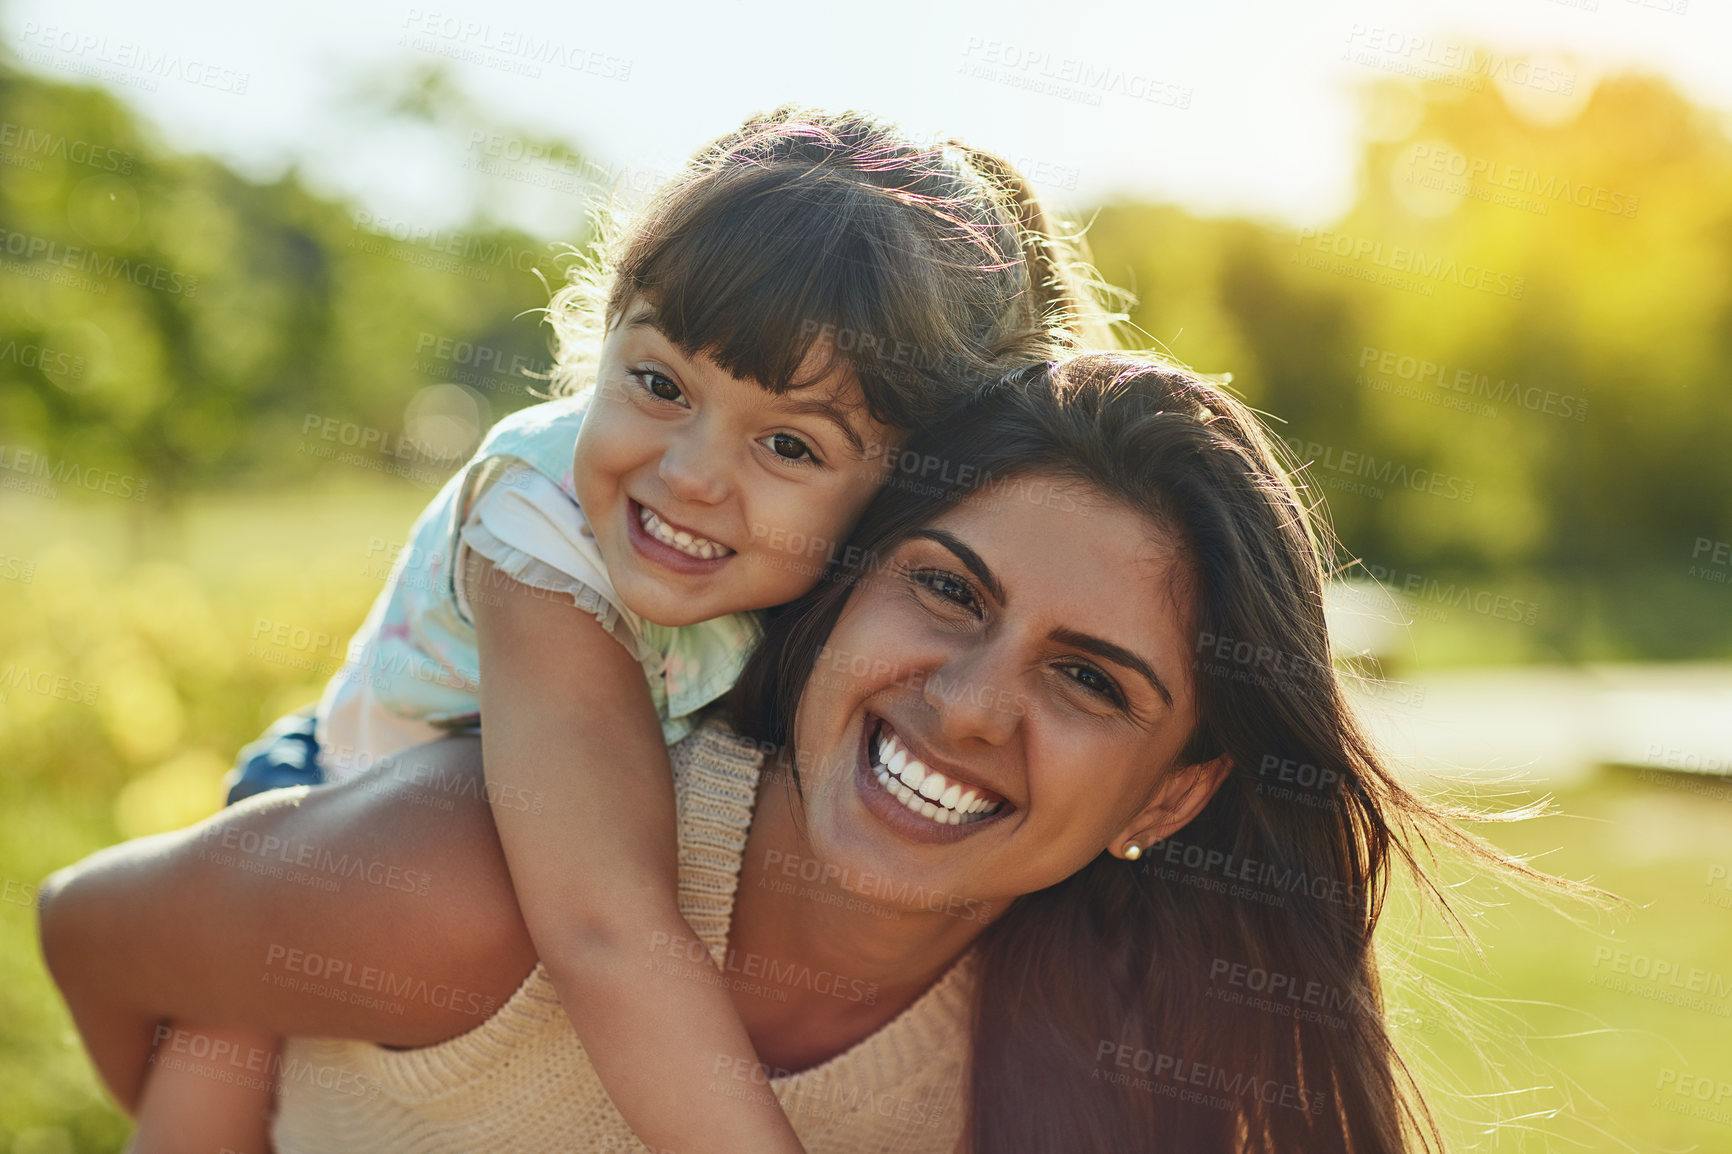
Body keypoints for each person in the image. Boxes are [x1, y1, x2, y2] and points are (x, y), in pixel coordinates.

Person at [40, 353, 1546, 1152]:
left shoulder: (1107, 1064)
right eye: (947, 589)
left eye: (1087, 679)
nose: (965, 706)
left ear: (1169, 793)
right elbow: (90, 935)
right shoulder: (471, 871)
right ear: (836, 597)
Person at [111, 105, 1112, 1154]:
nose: (687, 472)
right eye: (658, 383)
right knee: (220, 1048)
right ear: (604, 335)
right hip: (330, 807)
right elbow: (605, 928)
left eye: (786, 443)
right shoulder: (541, 524)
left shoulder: (872, 584)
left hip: (511, 875)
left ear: (907, 493)